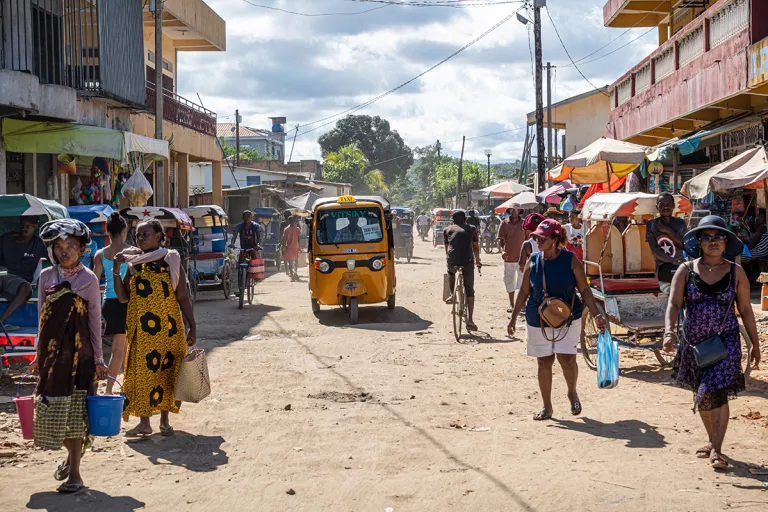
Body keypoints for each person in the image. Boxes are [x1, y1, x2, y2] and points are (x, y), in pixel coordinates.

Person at [664, 216, 760, 471]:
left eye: (718, 237)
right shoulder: (685, 270)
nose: (713, 241)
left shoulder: (736, 272)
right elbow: (673, 304)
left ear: (726, 241)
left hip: (726, 343)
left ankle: (717, 449)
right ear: (699, 242)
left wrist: (755, 343)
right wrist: (668, 332)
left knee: (715, 391)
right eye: (707, 237)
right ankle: (712, 439)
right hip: (695, 345)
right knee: (703, 394)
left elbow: (746, 310)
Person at [29, 219, 108, 494]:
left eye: (71, 246)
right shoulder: (46, 277)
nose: (64, 251)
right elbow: (42, 318)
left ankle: (75, 474)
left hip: (79, 358)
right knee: (50, 413)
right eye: (58, 246)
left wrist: (98, 359)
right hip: (52, 358)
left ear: (82, 249)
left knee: (75, 418)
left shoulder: (88, 279)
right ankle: (72, 457)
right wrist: (37, 355)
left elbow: (94, 321)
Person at [508, 219, 606, 420]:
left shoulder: (570, 260)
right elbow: (524, 291)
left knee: (567, 360)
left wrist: (596, 314)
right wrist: (513, 317)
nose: (538, 241)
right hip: (538, 319)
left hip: (568, 318)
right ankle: (547, 407)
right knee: (544, 362)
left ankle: (572, 392)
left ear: (554, 239)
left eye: (542, 238)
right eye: (536, 238)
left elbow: (584, 289)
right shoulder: (533, 260)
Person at [114, 220, 196, 437]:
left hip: (168, 329)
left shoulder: (170, 259)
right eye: (137, 235)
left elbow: (182, 296)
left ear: (159, 236)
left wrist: (193, 325)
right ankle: (144, 422)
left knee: (166, 373)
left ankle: (164, 422)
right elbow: (122, 297)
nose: (140, 238)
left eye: (145, 234)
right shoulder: (133, 264)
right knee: (141, 373)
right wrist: (116, 269)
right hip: (141, 330)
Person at [92, 213, 131, 395]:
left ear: (107, 232)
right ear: (124, 230)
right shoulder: (134, 251)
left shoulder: (100, 254)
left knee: (121, 347)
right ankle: (109, 390)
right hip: (128, 302)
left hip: (109, 302)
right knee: (119, 349)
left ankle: (123, 386)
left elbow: (93, 281)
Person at [0, 216, 47, 331]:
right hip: (2, 275)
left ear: (35, 226)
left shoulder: (38, 244)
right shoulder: (5, 239)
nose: (24, 229)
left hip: (19, 282)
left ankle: (1, 321)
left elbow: (55, 259)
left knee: (26, 288)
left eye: (28, 226)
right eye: (22, 225)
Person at [443, 210, 482, 331]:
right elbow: (475, 247)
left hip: (452, 260)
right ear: (465, 219)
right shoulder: (472, 229)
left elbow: (446, 248)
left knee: (451, 273)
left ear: (453, 220)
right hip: (467, 261)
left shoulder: (447, 229)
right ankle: (470, 320)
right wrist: (478, 261)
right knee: (469, 290)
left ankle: (451, 294)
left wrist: (449, 259)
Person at [646, 193, 687, 288]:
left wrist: (668, 231)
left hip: (679, 266)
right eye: (662, 204)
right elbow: (654, 249)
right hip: (662, 267)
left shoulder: (680, 223)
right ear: (657, 207)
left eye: (669, 204)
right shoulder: (651, 224)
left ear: (673, 206)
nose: (666, 207)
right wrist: (673, 260)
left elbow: (682, 245)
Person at [497, 208, 525, 313]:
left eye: (516, 210)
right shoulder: (504, 223)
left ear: (519, 211)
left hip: (523, 258)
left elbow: (528, 240)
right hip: (509, 257)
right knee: (510, 281)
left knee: (523, 282)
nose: (514, 211)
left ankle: (522, 304)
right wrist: (502, 251)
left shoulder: (524, 223)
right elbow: (500, 240)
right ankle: (512, 304)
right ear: (509, 211)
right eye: (512, 210)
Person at [281, 216, 301, 282]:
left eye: (292, 220)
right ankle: (293, 274)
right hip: (292, 247)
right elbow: (298, 239)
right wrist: (284, 246)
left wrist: (283, 246)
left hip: (292, 247)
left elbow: (284, 239)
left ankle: (294, 274)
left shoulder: (287, 229)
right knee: (293, 261)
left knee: (293, 261)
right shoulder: (295, 229)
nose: (291, 222)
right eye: (291, 220)